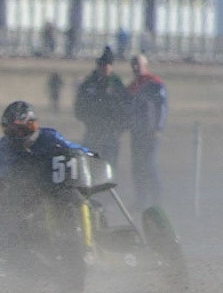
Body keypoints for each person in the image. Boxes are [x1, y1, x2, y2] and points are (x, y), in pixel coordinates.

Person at [0, 101, 88, 246]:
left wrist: (88, 153)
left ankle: (90, 242)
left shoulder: (50, 137)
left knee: (86, 202)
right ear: (7, 130)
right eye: (15, 130)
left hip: (60, 186)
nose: (20, 134)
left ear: (34, 125)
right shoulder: (3, 149)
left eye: (26, 128)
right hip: (29, 194)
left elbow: (72, 148)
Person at [72, 48, 128, 170]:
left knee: (110, 166)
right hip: (93, 130)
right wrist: (89, 119)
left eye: (107, 65)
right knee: (90, 163)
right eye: (102, 65)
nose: (104, 68)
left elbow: (124, 108)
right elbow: (80, 106)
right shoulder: (89, 83)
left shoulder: (117, 84)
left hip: (111, 132)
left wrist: (119, 127)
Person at [125, 54, 168, 209]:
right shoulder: (132, 86)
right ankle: (140, 199)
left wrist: (159, 127)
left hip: (150, 132)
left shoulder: (154, 84)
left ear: (145, 65)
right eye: (133, 64)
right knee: (137, 166)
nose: (135, 67)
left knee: (149, 165)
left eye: (138, 64)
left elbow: (162, 106)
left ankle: (157, 200)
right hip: (136, 132)